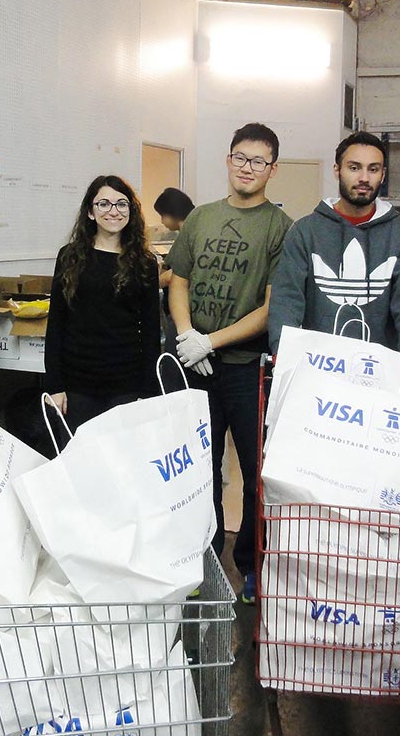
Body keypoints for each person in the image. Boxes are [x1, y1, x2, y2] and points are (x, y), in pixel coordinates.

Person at [165, 122, 292, 605]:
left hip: (244, 370)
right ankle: (206, 562)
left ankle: (254, 568)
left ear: (272, 169)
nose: (248, 167)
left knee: (257, 474)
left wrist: (211, 341)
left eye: (259, 161)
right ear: (228, 159)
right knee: (200, 473)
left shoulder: (281, 229)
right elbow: (178, 279)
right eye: (241, 157)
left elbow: (270, 307)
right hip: (193, 368)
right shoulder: (200, 218)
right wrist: (185, 336)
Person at [268, 131, 400, 357]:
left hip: (379, 372)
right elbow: (287, 300)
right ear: (337, 170)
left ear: (383, 175)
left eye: (373, 169)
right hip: (316, 369)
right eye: (354, 167)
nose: (364, 177)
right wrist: (282, 353)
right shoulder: (305, 231)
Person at [43, 175, 161, 431]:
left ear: (131, 211)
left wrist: (149, 390)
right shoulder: (70, 256)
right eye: (104, 204)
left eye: (121, 204)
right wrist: (54, 386)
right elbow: (56, 324)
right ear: (90, 212)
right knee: (80, 462)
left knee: (122, 464)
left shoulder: (145, 262)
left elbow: (152, 331)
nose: (113, 211)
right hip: (78, 383)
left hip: (126, 383)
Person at [154, 187, 196, 353]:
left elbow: (176, 274)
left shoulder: (191, 235)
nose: (162, 221)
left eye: (162, 216)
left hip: (183, 315)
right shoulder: (185, 235)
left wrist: (155, 281)